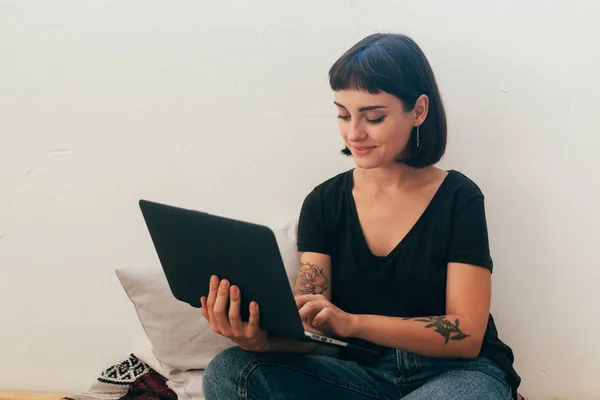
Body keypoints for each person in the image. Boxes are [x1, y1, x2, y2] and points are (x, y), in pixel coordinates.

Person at [201, 33, 521, 400]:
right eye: (343, 114)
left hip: (456, 373)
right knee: (230, 371)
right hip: (357, 374)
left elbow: (465, 334)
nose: (354, 133)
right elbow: (312, 330)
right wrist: (260, 340)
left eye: (374, 117)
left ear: (418, 110)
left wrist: (352, 323)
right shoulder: (323, 203)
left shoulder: (459, 198)